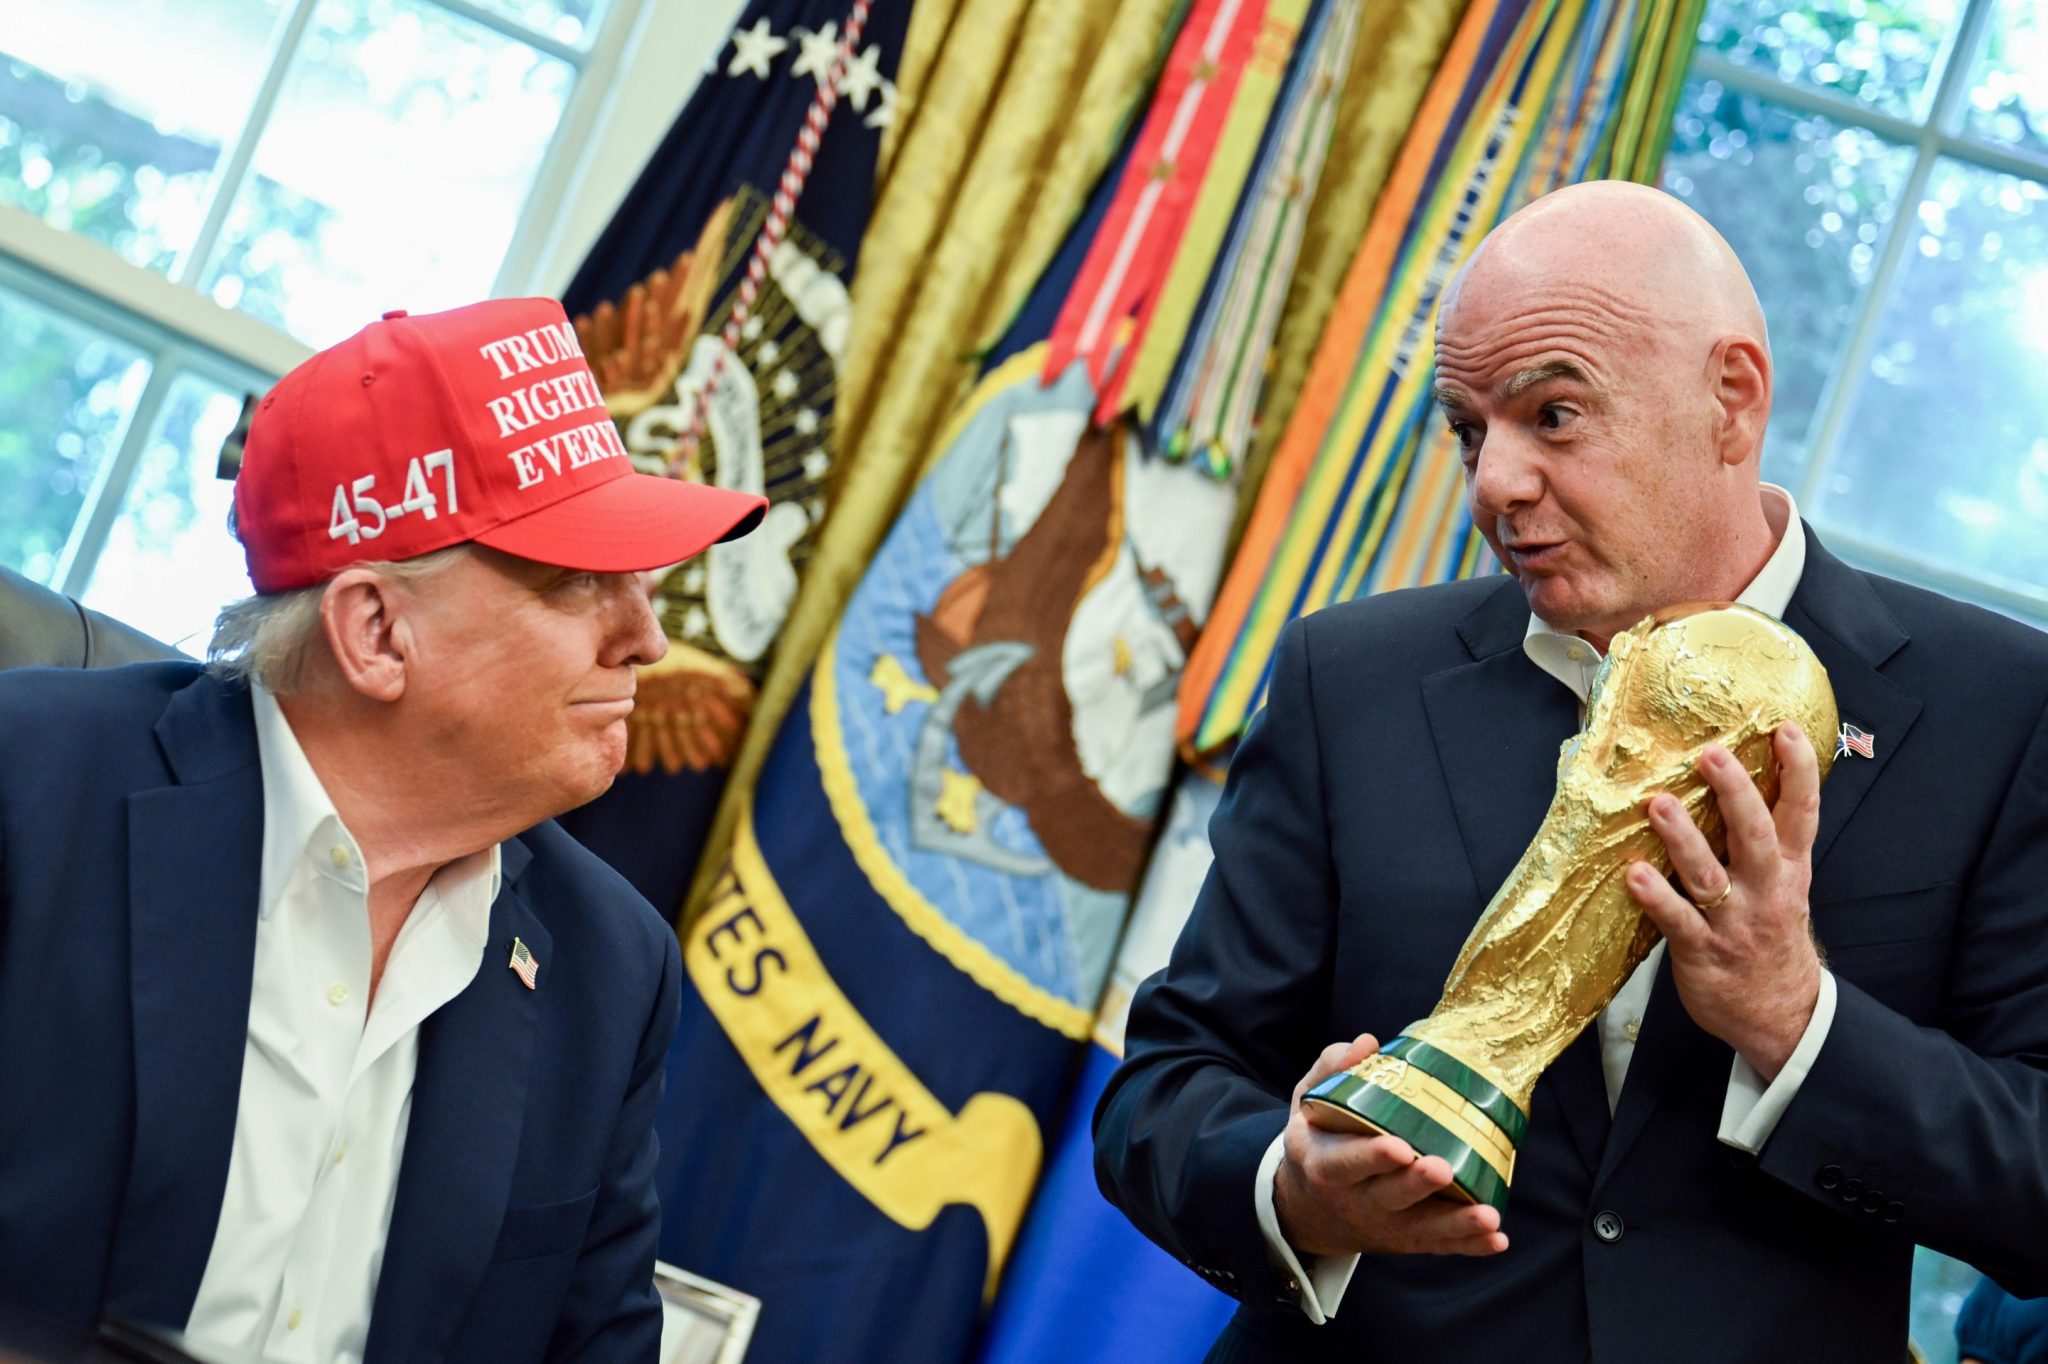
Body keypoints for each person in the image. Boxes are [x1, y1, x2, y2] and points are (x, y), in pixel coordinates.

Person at [1094, 181, 2048, 1362]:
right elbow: (1164, 1086)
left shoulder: (1998, 710)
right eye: (1467, 430)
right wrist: (1291, 1187)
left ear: (1729, 400)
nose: (1492, 483)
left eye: (1551, 414)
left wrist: (1794, 1021)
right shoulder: (1347, 678)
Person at [0, 298, 766, 1363]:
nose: (646, 637)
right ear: (374, 630)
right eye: (579, 582)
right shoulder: (29, 788)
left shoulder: (611, 964)